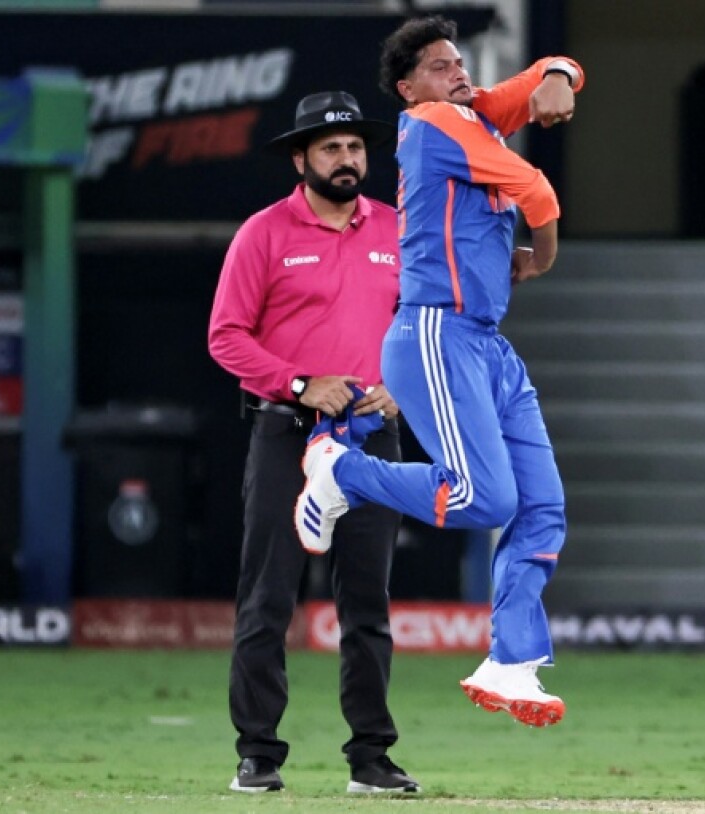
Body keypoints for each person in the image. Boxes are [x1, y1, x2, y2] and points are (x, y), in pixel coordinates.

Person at [293, 15, 583, 728]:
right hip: (435, 330)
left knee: (541, 507)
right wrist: (541, 258)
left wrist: (557, 75)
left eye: (460, 62)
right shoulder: (432, 122)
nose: (458, 72)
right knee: (484, 500)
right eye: (440, 65)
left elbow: (560, 66)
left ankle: (511, 663)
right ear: (408, 86)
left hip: (485, 343)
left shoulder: (474, 111)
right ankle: (341, 470)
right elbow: (538, 193)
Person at [207, 90, 420, 795]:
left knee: (368, 602)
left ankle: (371, 757)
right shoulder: (264, 233)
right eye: (330, 148)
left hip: (371, 435)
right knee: (268, 596)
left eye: (356, 147)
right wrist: (301, 385)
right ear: (300, 158)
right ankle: (258, 754)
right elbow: (226, 336)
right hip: (286, 432)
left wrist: (403, 384)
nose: (347, 158)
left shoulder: (396, 228)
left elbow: (425, 326)